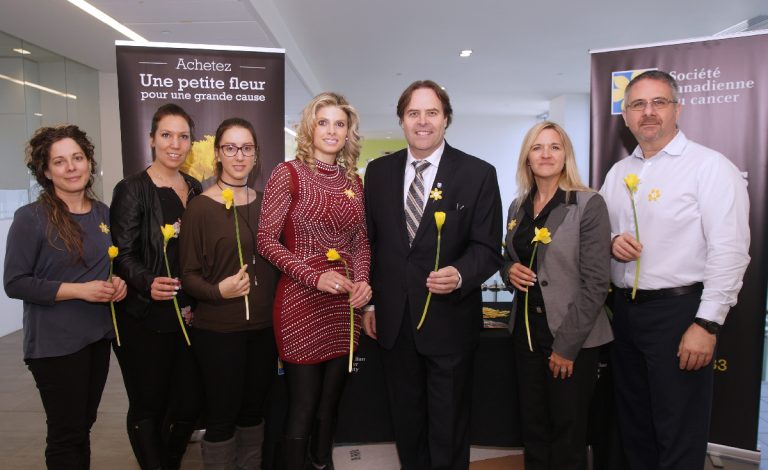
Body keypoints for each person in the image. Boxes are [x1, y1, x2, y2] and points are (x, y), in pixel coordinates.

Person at [599, 70, 750, 469]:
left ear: (678, 108)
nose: (648, 113)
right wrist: (613, 244)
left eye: (659, 102)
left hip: (681, 315)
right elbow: (600, 237)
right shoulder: (616, 174)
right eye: (637, 105)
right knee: (635, 427)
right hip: (626, 315)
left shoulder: (710, 167)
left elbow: (730, 251)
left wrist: (707, 324)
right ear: (626, 117)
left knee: (678, 432)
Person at [362, 80, 502, 469]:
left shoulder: (478, 174)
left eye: (431, 113)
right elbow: (371, 244)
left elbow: (489, 248)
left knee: (448, 425)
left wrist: (459, 274)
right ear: (402, 120)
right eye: (413, 113)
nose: (422, 122)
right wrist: (372, 301)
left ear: (446, 119)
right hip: (394, 323)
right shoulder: (377, 172)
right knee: (406, 422)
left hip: (450, 321)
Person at [257, 92, 370, 470]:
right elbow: (265, 241)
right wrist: (314, 276)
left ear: (348, 132)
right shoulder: (286, 173)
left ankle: (322, 463)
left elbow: (361, 241)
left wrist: (363, 284)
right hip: (301, 305)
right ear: (309, 127)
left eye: (340, 124)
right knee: (303, 407)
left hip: (344, 310)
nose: (332, 130)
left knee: (330, 405)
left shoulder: (354, 180)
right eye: (324, 122)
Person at [4, 125, 127, 469]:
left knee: (82, 428)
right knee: (65, 433)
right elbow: (15, 283)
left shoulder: (103, 213)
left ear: (89, 162)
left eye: (77, 158)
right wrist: (80, 291)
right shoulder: (31, 218)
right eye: (59, 162)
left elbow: (110, 265)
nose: (71, 167)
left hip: (96, 337)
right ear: (46, 171)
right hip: (55, 345)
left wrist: (118, 284)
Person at [502, 121, 612, 469]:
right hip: (526, 335)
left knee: (568, 433)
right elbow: (507, 258)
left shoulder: (588, 203)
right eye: (537, 147)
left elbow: (596, 282)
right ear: (527, 158)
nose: (546, 154)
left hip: (571, 338)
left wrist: (566, 347)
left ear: (566, 155)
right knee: (533, 429)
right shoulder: (517, 207)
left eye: (554, 146)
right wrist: (508, 272)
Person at [180, 117, 279, 469]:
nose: (239, 156)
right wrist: (218, 291)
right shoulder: (200, 208)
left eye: (247, 148)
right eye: (230, 148)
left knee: (254, 413)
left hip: (264, 329)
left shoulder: (268, 204)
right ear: (219, 154)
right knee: (221, 416)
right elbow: (187, 275)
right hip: (219, 331)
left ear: (256, 155)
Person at [110, 103, 203, 469]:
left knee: (190, 403)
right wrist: (149, 282)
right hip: (145, 315)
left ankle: (168, 460)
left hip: (188, 314)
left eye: (183, 136)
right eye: (166, 135)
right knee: (149, 404)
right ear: (151, 140)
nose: (175, 144)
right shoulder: (132, 189)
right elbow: (122, 253)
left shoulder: (194, 187)